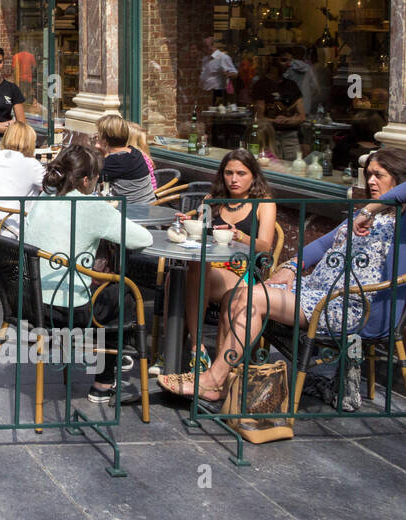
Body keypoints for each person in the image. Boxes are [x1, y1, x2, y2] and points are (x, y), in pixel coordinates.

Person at [159, 149, 406, 402]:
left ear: (399, 178)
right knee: (238, 295)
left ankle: (212, 380)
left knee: (250, 298)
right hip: (314, 293)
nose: (371, 181)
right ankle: (223, 380)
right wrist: (290, 268)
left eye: (379, 175)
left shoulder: (401, 218)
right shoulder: (359, 217)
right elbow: (321, 245)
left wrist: (369, 210)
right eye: (369, 175)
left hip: (354, 305)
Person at [23, 145, 153, 404]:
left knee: (103, 290)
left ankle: (91, 357)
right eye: (96, 178)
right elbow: (143, 239)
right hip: (65, 310)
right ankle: (103, 382)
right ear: (86, 180)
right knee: (122, 295)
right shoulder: (91, 205)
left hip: (27, 302)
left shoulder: (43, 199)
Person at [175, 149, 278, 369]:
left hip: (244, 272)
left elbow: (265, 246)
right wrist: (187, 224)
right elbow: (201, 233)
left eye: (241, 173)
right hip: (210, 269)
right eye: (229, 173)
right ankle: (195, 348)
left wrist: (240, 235)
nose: (234, 179)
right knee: (176, 278)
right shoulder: (212, 200)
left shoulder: (264, 203)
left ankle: (182, 353)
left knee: (188, 275)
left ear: (253, 176)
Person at [251, 51, 305, 160]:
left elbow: (302, 116)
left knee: (293, 169)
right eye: (284, 60)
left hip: (290, 137)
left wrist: (287, 120)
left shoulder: (291, 85)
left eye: (290, 60)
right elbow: (259, 117)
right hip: (270, 136)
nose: (288, 64)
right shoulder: (262, 85)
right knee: (272, 169)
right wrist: (275, 121)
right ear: (274, 62)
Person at [96, 115, 158, 205]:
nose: (97, 138)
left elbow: (88, 181)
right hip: (150, 205)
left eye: (98, 135)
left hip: (134, 212)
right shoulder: (134, 152)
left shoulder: (115, 161)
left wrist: (101, 151)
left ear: (104, 139)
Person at [199, 35, 238, 107]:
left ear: (213, 46)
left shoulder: (223, 58)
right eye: (203, 47)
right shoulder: (205, 59)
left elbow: (234, 73)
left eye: (205, 46)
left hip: (217, 92)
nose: (203, 49)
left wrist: (228, 74)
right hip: (204, 92)